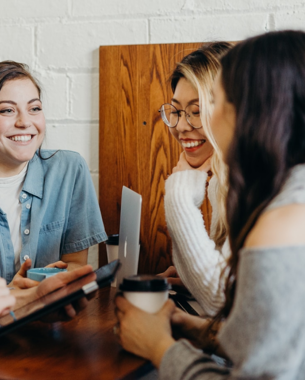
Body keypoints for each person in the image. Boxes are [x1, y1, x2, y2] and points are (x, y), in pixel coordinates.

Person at [115, 30, 305, 379]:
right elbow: (265, 342)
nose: (185, 125)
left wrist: (160, 347)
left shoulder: (284, 220)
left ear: (257, 112)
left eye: (213, 103)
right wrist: (201, 332)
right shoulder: (283, 193)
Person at [0, 61, 107, 286]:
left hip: (48, 318)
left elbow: (76, 264)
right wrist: (12, 295)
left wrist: (54, 279)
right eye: (7, 110)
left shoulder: (69, 170)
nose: (25, 122)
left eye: (34, 108)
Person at [158, 42, 231, 316]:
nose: (180, 126)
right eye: (175, 111)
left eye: (197, 111)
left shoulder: (256, 185)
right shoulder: (221, 181)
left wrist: (178, 195)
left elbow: (220, 301)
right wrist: (191, 278)